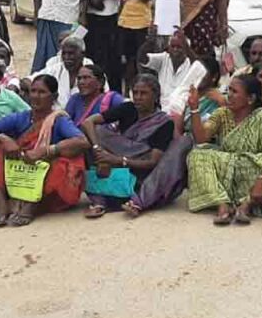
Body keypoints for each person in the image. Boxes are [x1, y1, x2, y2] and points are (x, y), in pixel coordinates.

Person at [186, 75, 262, 225]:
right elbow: (202, 139)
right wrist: (194, 108)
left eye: (235, 92)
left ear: (250, 98)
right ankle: (222, 205)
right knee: (197, 154)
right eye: (229, 90)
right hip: (229, 170)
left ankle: (247, 204)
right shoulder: (222, 113)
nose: (229, 95)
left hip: (257, 170)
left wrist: (261, 181)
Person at [0, 74, 91, 227]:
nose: (36, 96)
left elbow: (82, 142)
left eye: (42, 92)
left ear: (54, 96)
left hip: (44, 178)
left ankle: (31, 204)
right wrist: (1, 138)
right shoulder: (21, 117)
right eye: (33, 91)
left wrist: (47, 151)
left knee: (67, 161)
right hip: (19, 173)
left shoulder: (59, 120)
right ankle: (2, 203)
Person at [80, 74, 178, 218]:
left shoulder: (164, 123)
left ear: (156, 96)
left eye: (143, 93)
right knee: (93, 134)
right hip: (109, 163)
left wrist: (118, 160)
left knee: (160, 150)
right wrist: (98, 151)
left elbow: (152, 162)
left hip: (136, 172)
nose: (138, 97)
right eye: (135, 93)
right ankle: (99, 200)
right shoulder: (128, 108)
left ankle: (125, 200)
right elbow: (88, 122)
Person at [137, 30, 194, 110]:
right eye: (172, 46)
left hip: (183, 110)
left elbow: (200, 64)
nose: (175, 49)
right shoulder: (163, 58)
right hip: (162, 110)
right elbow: (142, 59)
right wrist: (150, 41)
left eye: (179, 47)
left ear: (185, 49)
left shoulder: (191, 63)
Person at [29, 36, 90, 109]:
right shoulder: (56, 69)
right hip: (54, 116)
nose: (66, 57)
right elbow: (29, 79)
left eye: (71, 54)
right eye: (64, 54)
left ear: (82, 54)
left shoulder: (93, 72)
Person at [174, 56, 225, 136]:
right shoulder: (187, 95)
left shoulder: (221, 98)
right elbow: (179, 129)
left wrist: (222, 102)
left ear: (214, 77)